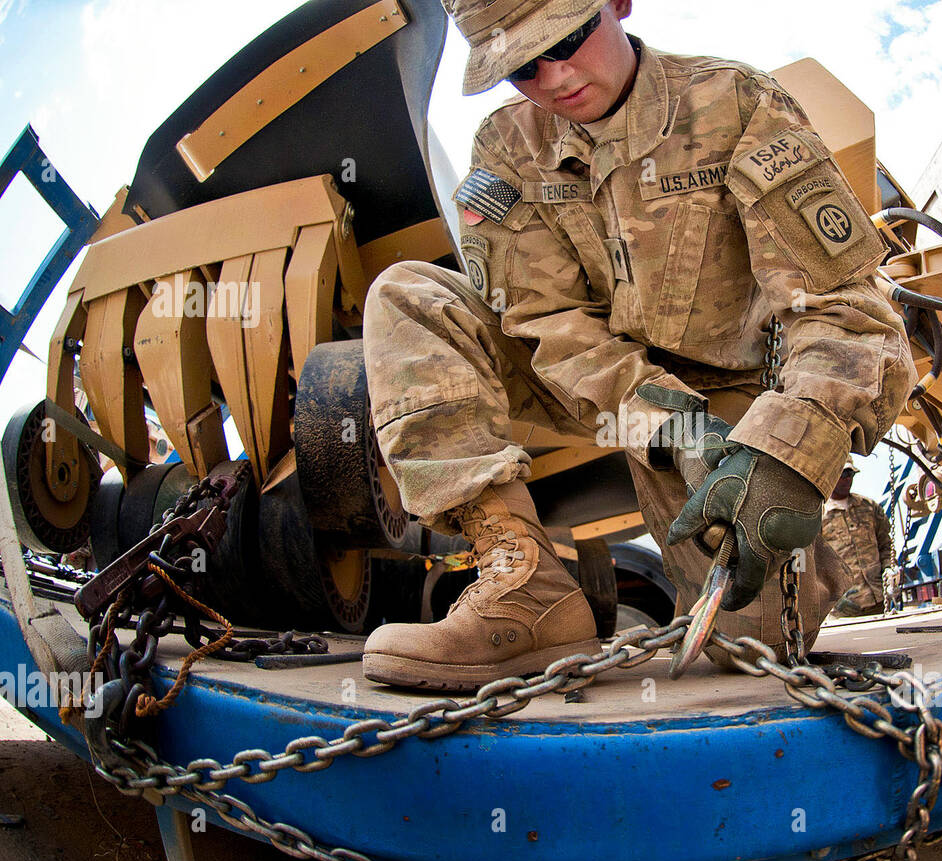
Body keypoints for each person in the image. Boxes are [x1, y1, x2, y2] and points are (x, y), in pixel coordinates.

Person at [361, 0, 914, 690]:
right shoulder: (505, 148)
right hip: (593, 386)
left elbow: (844, 307)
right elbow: (548, 323)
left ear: (618, 4)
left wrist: (791, 452)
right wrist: (671, 425)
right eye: (521, 67)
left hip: (734, 396)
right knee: (412, 293)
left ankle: (786, 566)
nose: (556, 77)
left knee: (751, 649)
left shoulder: (735, 101)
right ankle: (524, 585)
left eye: (568, 39)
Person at [821, 461, 896, 616]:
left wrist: (889, 568)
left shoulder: (869, 507)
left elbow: (885, 544)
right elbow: (810, 563)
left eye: (850, 474)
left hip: (879, 600)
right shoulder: (818, 516)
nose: (847, 479)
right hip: (842, 609)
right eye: (843, 474)